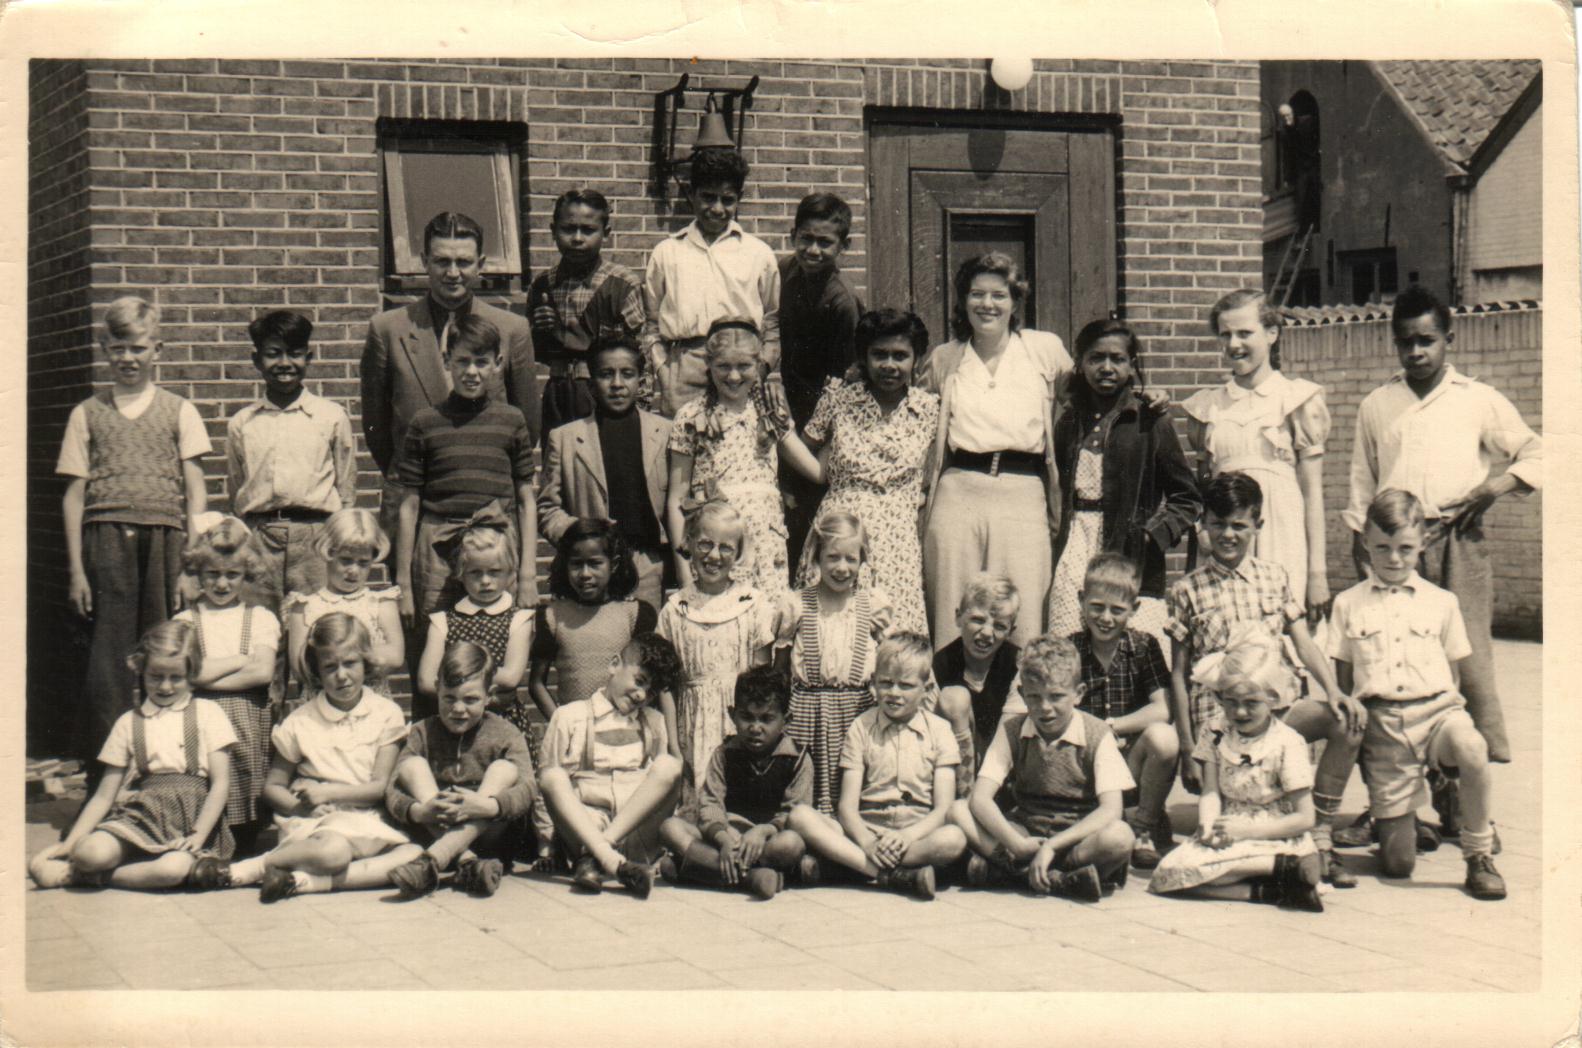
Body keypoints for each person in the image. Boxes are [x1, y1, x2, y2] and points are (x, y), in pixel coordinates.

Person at [1344, 284, 1540, 772]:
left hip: (1458, 540)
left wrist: (1496, 488)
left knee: (1466, 658)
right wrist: (1359, 543)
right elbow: (1362, 483)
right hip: (1394, 546)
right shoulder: (1378, 405)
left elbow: (1541, 452)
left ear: (1448, 338)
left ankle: (1467, 787)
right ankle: (1396, 792)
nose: (1416, 352)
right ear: (1393, 343)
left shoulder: (1477, 400)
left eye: (1426, 340)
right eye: (1406, 342)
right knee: (1396, 661)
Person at [1166, 471, 1365, 889]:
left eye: (1239, 524)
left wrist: (1334, 691)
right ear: (1203, 525)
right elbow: (1180, 676)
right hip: (1225, 724)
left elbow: (1304, 642)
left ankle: (1321, 832)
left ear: (1258, 525)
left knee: (1345, 719)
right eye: (1218, 524)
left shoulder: (1274, 578)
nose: (1228, 535)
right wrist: (1187, 746)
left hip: (1276, 713)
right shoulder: (1187, 590)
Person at [57, 296, 211, 772]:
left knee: (164, 651)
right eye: (118, 348)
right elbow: (73, 496)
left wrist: (191, 561)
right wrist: (77, 571)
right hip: (105, 542)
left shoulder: (179, 410)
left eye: (139, 348)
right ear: (105, 349)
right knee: (108, 663)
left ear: (157, 350)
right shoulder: (88, 412)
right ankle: (109, 774)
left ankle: (165, 767)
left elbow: (195, 492)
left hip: (164, 542)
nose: (128, 358)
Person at [1329, 490, 1506, 900]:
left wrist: (1445, 746)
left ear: (1422, 543)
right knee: (1398, 865)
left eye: (1405, 548)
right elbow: (1343, 684)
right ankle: (1404, 826)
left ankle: (1478, 855)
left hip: (1437, 713)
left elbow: (1455, 678)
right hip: (1385, 730)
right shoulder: (1347, 605)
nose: (1393, 558)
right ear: (1365, 543)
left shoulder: (1443, 602)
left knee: (1472, 745)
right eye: (1382, 548)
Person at [186, 614, 418, 902]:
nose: (341, 675)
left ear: (366, 663)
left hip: (367, 821)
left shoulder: (386, 713)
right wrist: (302, 808)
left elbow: (378, 788)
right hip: (315, 827)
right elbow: (272, 788)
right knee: (334, 852)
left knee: (413, 855)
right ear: (317, 673)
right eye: (330, 667)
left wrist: (326, 792)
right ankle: (249, 868)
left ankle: (304, 881)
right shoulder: (301, 721)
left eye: (350, 663)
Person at [917, 253, 1069, 651]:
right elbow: (910, 414)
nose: (987, 304)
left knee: (1021, 612)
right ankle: (953, 704)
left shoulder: (1042, 351)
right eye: (977, 294)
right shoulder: (945, 358)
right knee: (954, 605)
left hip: (1022, 493)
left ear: (1015, 302)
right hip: (959, 493)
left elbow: (1084, 398)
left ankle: (1019, 705)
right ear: (962, 301)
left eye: (999, 295)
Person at [360, 210, 538, 543]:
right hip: (413, 505)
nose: (453, 273)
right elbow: (376, 426)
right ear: (425, 261)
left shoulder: (512, 329)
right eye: (442, 261)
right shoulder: (389, 329)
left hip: (488, 508)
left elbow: (527, 425)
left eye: (464, 262)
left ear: (481, 264)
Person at [392, 312, 537, 718]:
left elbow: (526, 498)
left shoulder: (511, 421)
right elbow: (409, 505)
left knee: (495, 645)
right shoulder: (425, 423)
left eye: (481, 362)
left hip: (494, 545)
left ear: (498, 364)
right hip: (438, 548)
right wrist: (403, 583)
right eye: (462, 362)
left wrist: (526, 574)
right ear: (446, 360)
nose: (472, 372)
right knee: (433, 653)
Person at [28, 622, 236, 891]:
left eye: (176, 677)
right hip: (142, 817)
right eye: (155, 676)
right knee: (89, 854)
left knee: (173, 870)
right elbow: (104, 796)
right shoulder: (129, 722)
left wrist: (198, 836)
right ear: (141, 670)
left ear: (192, 673)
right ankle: (87, 864)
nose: (165, 686)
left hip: (192, 822)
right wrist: (71, 843)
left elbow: (221, 784)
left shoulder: (208, 713)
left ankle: (81, 877)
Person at [1047, 318, 1200, 649]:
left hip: (1129, 548)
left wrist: (1151, 534)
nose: (1106, 367)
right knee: (1069, 637)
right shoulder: (1070, 420)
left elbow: (1187, 498)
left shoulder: (1149, 419)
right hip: (1074, 543)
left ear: (1132, 366)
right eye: (1095, 358)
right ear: (1081, 363)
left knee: (1134, 646)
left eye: (1117, 359)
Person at [1149, 626, 1324, 912]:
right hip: (1228, 829)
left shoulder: (1286, 742)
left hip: (1273, 834)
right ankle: (1270, 888)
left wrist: (1249, 831)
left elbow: (1305, 818)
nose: (1240, 712)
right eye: (1231, 702)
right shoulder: (1215, 730)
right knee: (1165, 874)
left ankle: (1280, 865)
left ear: (1272, 698)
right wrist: (1207, 826)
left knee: (1200, 873)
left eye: (1252, 703)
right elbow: (1210, 791)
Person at [949, 633, 1135, 902]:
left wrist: (1053, 846)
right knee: (958, 810)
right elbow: (980, 798)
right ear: (1023, 694)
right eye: (1034, 697)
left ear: (1078, 694)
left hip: (1075, 838)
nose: (1045, 708)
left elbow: (1111, 809)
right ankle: (1052, 878)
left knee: (1120, 837)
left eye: (1056, 696)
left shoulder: (1097, 734)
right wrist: (1016, 844)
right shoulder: (1013, 730)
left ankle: (1014, 872)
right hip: (1025, 833)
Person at [1182, 289, 1331, 615]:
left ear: (1272, 333)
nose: (1234, 344)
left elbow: (1313, 494)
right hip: (1226, 538)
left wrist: (1318, 572)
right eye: (1225, 335)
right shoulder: (1208, 407)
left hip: (1281, 533)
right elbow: (1203, 489)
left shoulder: (1295, 400)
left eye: (1245, 333)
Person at [788, 633, 967, 900]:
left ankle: (852, 867)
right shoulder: (861, 727)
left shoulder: (940, 731)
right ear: (873, 683)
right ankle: (887, 874)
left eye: (905, 685)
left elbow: (942, 809)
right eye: (886, 683)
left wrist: (907, 836)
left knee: (953, 838)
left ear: (926, 690)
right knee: (800, 816)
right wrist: (868, 842)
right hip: (867, 829)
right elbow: (847, 809)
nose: (894, 693)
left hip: (916, 834)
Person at [796, 308, 939, 635]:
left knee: (895, 636)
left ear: (916, 359)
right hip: (840, 533)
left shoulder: (929, 409)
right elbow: (807, 450)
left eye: (901, 355)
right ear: (864, 356)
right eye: (880, 355)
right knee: (832, 632)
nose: (890, 365)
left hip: (897, 540)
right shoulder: (838, 400)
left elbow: (939, 468)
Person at [525, 519, 657, 869]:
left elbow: (647, 678)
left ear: (613, 565)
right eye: (575, 563)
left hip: (621, 735)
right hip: (574, 734)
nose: (585, 573)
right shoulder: (553, 616)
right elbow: (536, 681)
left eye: (594, 563)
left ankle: (601, 850)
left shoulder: (634, 614)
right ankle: (554, 846)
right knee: (560, 784)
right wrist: (561, 717)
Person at [665, 317, 821, 595]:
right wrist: (683, 569)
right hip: (715, 545)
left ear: (759, 365)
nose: (734, 376)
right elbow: (677, 497)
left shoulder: (770, 413)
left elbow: (817, 471)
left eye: (744, 366)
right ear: (709, 365)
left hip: (763, 541)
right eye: (724, 366)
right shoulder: (691, 416)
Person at [227, 309, 357, 624]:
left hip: (315, 537)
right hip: (260, 538)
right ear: (257, 360)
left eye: (295, 354)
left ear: (309, 358)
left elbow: (347, 490)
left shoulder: (331, 416)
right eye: (274, 354)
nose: (285, 363)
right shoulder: (242, 422)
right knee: (261, 629)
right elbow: (236, 488)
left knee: (316, 627)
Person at [656, 500, 787, 804]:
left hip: (740, 724)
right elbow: (666, 685)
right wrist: (674, 744)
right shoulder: (675, 610)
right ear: (689, 543)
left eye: (726, 547)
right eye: (705, 544)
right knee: (698, 804)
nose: (714, 556)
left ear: (738, 552)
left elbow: (761, 679)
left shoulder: (752, 604)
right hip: (693, 723)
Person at [537, 633, 686, 898]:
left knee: (669, 765)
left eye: (651, 691)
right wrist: (547, 848)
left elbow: (658, 789)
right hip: (586, 829)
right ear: (614, 664)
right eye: (639, 681)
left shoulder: (653, 722)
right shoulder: (570, 717)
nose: (641, 694)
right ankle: (608, 858)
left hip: (636, 835)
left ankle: (601, 856)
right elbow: (545, 795)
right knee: (551, 776)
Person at [386, 641, 537, 899]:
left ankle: (434, 859)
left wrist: (486, 806)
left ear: (489, 695)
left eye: (471, 699)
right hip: (437, 823)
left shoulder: (506, 733)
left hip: (492, 834)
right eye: (449, 698)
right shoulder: (422, 732)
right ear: (437, 689)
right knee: (410, 766)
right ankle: (467, 863)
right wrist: (420, 811)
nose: (458, 709)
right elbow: (392, 791)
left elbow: (528, 789)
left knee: (505, 769)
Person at [641, 148, 780, 417]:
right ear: (692, 195)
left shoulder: (759, 254)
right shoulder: (667, 252)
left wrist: (760, 367)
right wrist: (663, 370)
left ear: (739, 199)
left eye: (727, 200)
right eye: (708, 197)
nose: (717, 208)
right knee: (683, 450)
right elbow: (651, 321)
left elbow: (772, 322)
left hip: (739, 371)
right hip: (684, 370)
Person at [537, 339, 672, 611]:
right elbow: (547, 509)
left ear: (641, 381)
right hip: (591, 567)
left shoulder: (666, 432)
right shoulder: (565, 438)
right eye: (606, 374)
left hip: (647, 564)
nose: (617, 384)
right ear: (591, 384)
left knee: (644, 644)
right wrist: (582, 534)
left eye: (627, 374)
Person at [658, 665, 814, 900]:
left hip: (767, 842)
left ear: (786, 720)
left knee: (792, 844)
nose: (755, 728)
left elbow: (795, 811)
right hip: (725, 836)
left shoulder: (797, 758)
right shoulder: (724, 754)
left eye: (766, 719)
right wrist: (723, 840)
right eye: (747, 717)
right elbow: (710, 804)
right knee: (670, 827)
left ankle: (697, 868)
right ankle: (751, 878)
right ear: (732, 714)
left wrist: (764, 831)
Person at [173, 516, 280, 854]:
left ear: (245, 575)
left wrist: (206, 674)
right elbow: (187, 674)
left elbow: (262, 673)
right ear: (198, 573)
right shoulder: (186, 620)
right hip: (200, 718)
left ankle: (243, 845)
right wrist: (238, 659)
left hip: (245, 720)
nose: (222, 584)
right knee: (204, 779)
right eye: (212, 574)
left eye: (232, 575)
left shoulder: (260, 617)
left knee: (245, 780)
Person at [1067, 553, 1181, 871]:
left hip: (1130, 759)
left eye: (1118, 610)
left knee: (1164, 738)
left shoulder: (1144, 647)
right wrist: (1097, 735)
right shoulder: (1070, 649)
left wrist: (1112, 726)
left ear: (1134, 609)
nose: (1106, 618)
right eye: (1097, 607)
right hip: (1087, 763)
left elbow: (1162, 709)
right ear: (1081, 600)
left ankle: (1143, 826)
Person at [786, 510, 893, 815]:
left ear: (862, 560)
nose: (842, 568)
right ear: (816, 556)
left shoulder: (871, 605)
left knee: (853, 793)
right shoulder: (797, 605)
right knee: (805, 795)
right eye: (833, 557)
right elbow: (781, 669)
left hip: (857, 715)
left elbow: (889, 657)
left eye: (851, 559)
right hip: (807, 715)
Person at [778, 192, 863, 568]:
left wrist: (813, 438)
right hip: (780, 403)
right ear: (793, 234)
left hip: (816, 419)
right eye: (806, 239)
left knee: (806, 508)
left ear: (844, 246)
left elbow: (840, 383)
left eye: (825, 242)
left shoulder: (842, 302)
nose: (813, 250)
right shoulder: (780, 274)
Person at [527, 189, 647, 443]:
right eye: (568, 229)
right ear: (553, 230)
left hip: (602, 392)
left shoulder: (622, 283)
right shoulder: (542, 285)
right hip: (558, 390)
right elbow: (535, 352)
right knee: (558, 463)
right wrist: (541, 331)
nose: (578, 238)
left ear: (606, 233)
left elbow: (639, 354)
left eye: (588, 230)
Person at [414, 526, 532, 728]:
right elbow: (426, 680)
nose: (485, 581)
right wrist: (474, 693)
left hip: (501, 720)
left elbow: (511, 676)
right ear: (460, 574)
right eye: (475, 573)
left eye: (494, 572)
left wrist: (454, 683)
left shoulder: (519, 619)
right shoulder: (442, 621)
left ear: (510, 572)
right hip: (454, 718)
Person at [283, 508, 404, 699]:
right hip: (320, 705)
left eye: (363, 563)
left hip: (371, 701)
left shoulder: (380, 603)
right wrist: (365, 656)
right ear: (328, 553)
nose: (353, 571)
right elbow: (300, 669)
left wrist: (330, 657)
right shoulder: (305, 607)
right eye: (346, 560)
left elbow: (395, 656)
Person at [932, 574, 1024, 775]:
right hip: (954, 767)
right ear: (958, 617)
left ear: (1011, 630)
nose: (986, 633)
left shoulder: (1016, 664)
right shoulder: (941, 664)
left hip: (1002, 767)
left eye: (999, 626)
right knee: (954, 698)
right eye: (978, 620)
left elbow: (1008, 736)